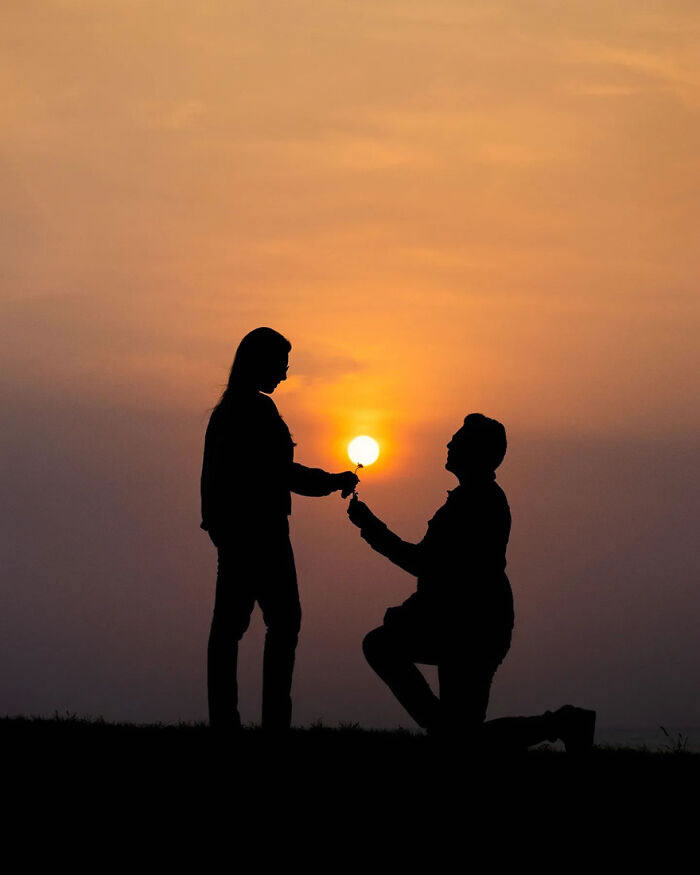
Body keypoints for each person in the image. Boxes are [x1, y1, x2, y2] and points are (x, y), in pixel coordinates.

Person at [347, 413, 595, 752]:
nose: (449, 444)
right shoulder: (470, 499)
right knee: (461, 733)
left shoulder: (476, 503)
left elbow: (426, 566)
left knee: (457, 732)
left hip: (472, 630)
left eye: (458, 440)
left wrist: (371, 528)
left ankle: (559, 724)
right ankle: (559, 724)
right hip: (468, 625)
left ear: (477, 452)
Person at [202, 327, 358, 732]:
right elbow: (283, 473)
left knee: (230, 629)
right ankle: (272, 724)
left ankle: (227, 721)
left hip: (240, 536)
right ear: (261, 363)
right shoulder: (256, 413)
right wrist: (332, 482)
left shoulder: (226, 414)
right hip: (263, 536)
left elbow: (212, 482)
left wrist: (219, 530)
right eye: (282, 366)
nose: (286, 377)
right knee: (279, 623)